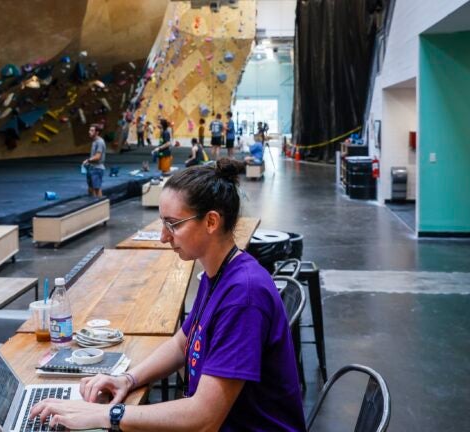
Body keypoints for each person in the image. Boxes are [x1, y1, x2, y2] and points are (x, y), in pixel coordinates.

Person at [30, 161, 306, 431]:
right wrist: (127, 379)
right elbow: (181, 345)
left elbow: (203, 419)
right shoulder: (220, 273)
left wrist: (106, 414)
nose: (163, 236)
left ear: (211, 221)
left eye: (173, 224)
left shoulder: (244, 295)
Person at [83, 124, 106, 197]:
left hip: (97, 168)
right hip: (91, 167)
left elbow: (98, 156)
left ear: (97, 132)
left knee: (97, 188)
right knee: (90, 188)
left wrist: (88, 160)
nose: (89, 132)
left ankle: (100, 205)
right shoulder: (94, 141)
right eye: (89, 130)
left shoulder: (100, 142)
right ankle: (92, 203)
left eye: (92, 130)